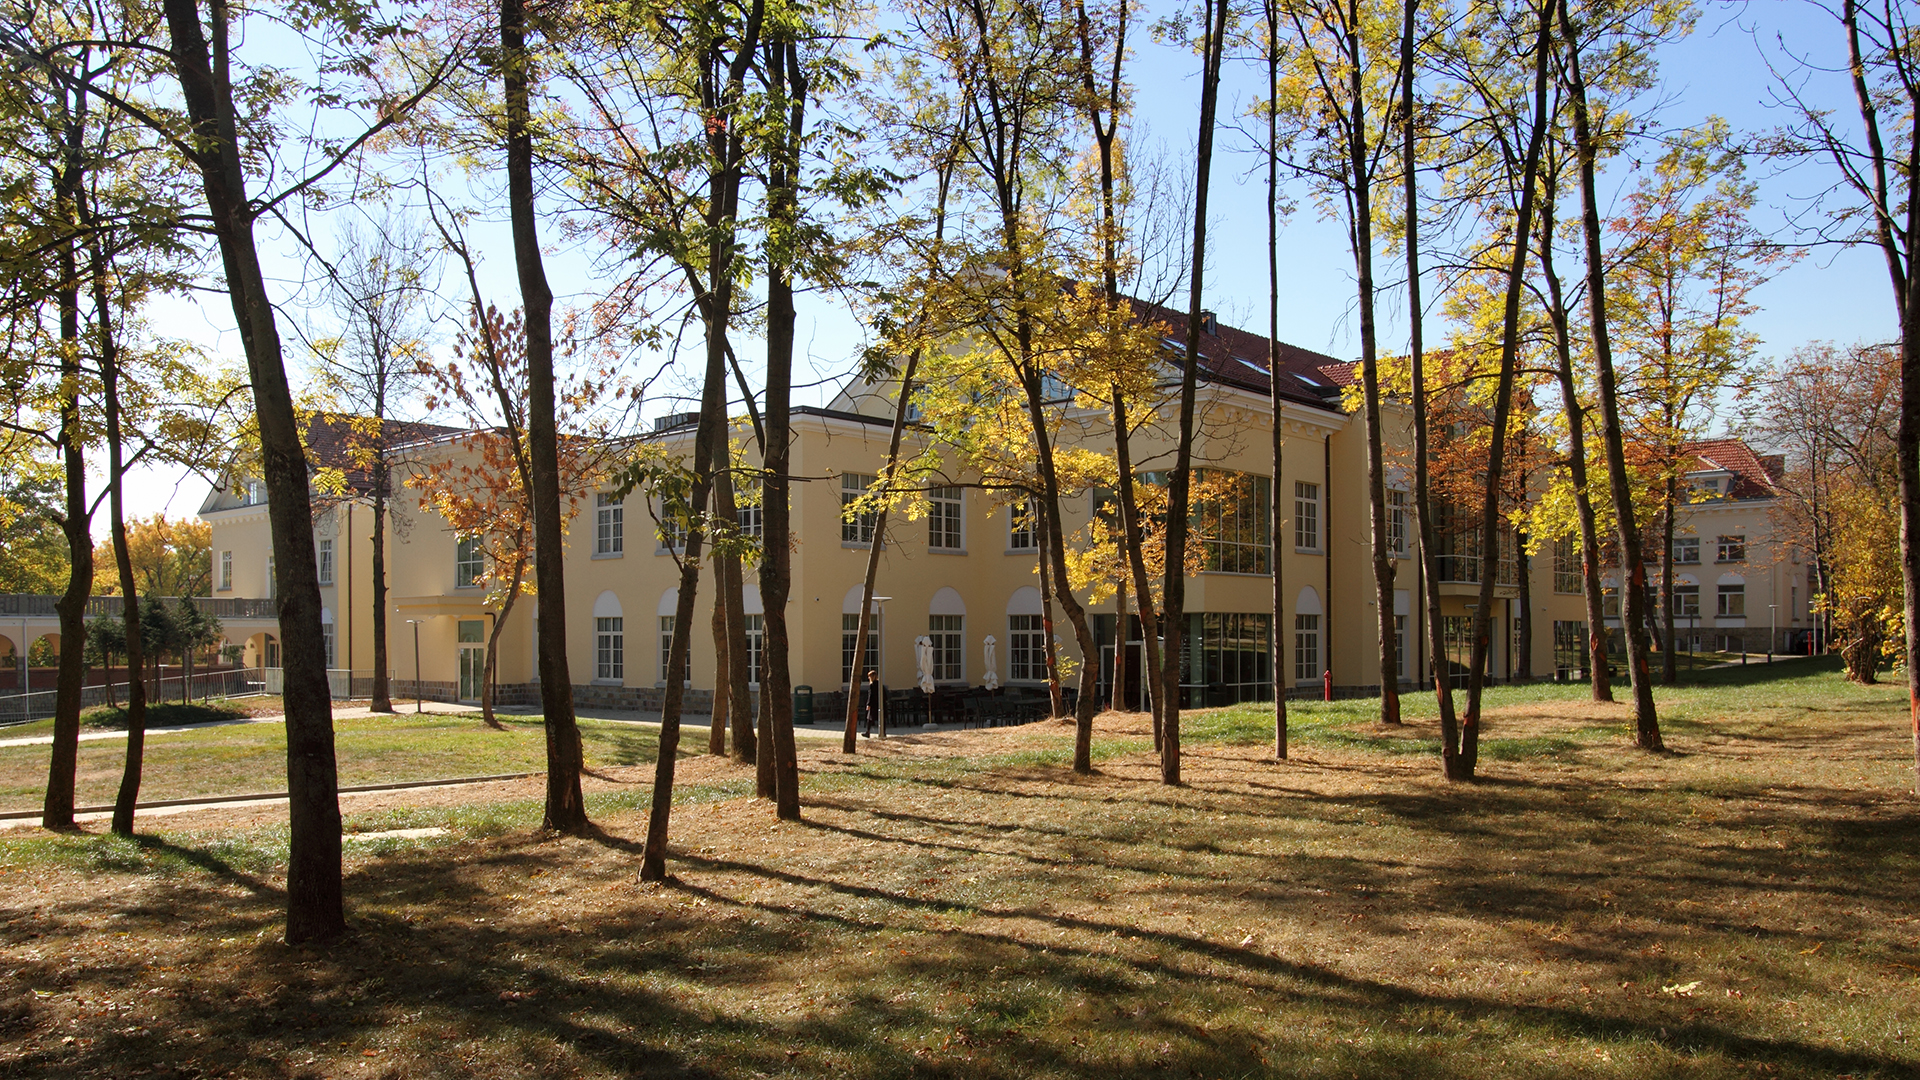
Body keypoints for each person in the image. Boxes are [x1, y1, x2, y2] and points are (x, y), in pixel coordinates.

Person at [861, 669, 881, 738]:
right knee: (881, 718)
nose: (868, 678)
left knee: (869, 718)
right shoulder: (880, 684)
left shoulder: (872, 685)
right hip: (879, 703)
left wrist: (868, 704)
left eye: (869, 676)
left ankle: (868, 732)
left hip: (873, 704)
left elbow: (871, 695)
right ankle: (883, 732)